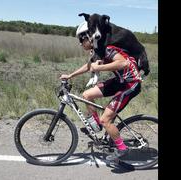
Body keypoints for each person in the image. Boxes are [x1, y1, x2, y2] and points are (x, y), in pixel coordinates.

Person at [59, 21, 142, 161]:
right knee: (86, 95)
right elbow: (89, 66)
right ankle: (96, 125)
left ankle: (122, 148)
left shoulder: (107, 48)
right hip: (121, 81)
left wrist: (99, 68)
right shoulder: (98, 50)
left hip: (131, 84)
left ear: (90, 37)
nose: (80, 43)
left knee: (106, 120)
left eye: (81, 39)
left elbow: (123, 63)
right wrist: (70, 75)